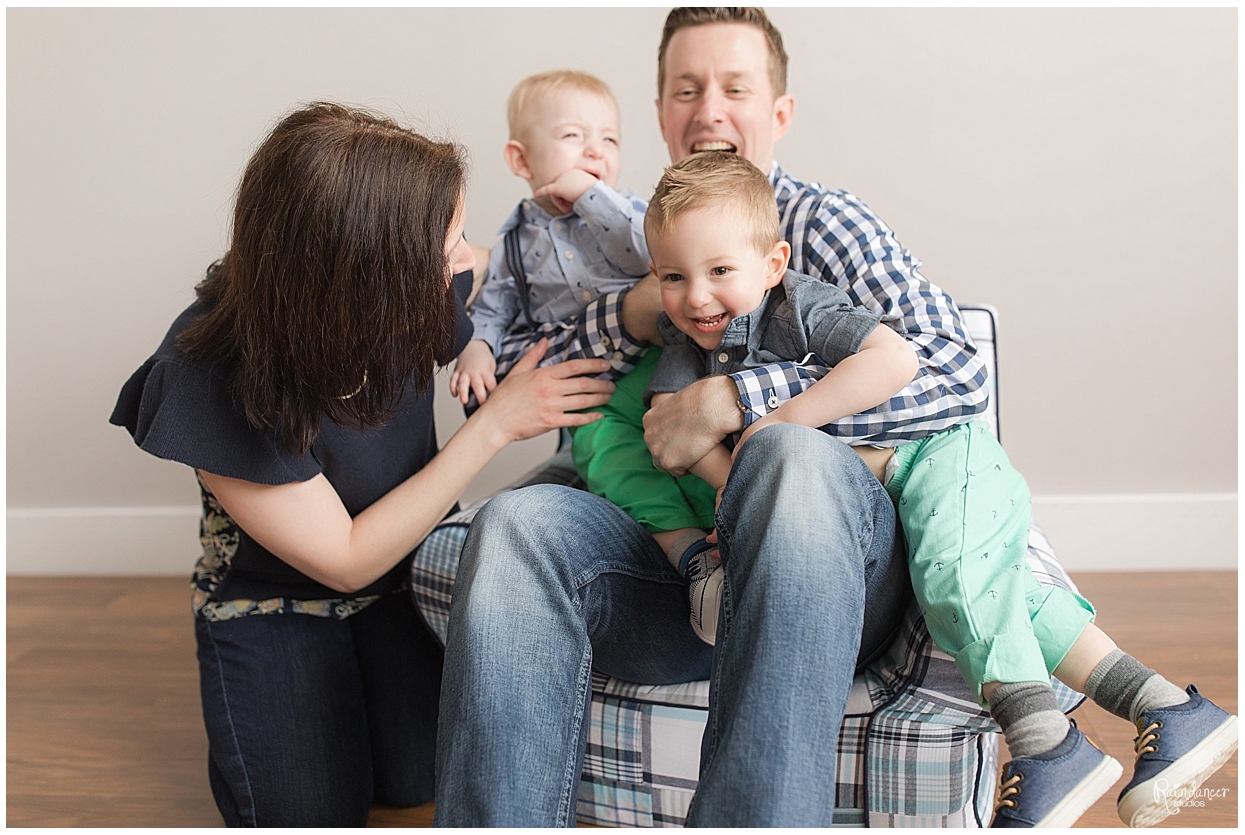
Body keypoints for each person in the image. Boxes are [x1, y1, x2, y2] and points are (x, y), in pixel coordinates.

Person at [435, 8, 1001, 826]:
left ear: (779, 114)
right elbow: (560, 353)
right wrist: (636, 303)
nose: (708, 110)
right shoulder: (634, 241)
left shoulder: (821, 224)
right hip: (684, 572)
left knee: (788, 458)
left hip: (831, 576)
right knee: (517, 523)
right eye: (685, 90)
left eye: (735, 88)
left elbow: (958, 372)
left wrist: (739, 402)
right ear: (661, 113)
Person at [610, 150, 1237, 828]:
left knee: (954, 577)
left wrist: (776, 425)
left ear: (772, 263)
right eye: (673, 276)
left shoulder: (801, 307)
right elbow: (670, 433)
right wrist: (739, 490)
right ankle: (1170, 708)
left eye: (719, 272)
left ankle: (1045, 742)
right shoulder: (685, 342)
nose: (696, 296)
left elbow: (897, 357)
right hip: (889, 501)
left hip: (936, 455)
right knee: (998, 592)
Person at [109, 102, 615, 827]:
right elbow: (342, 559)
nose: (463, 258)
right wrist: (496, 427)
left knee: (415, 781)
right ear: (366, 267)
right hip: (273, 600)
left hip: (403, 579)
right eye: (450, 241)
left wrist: (571, 208)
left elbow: (504, 296)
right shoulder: (210, 372)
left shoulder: (417, 284)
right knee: (309, 811)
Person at [450, 70, 650, 405]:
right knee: (604, 452)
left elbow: (645, 255)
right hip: (587, 389)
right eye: (573, 135)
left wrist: (591, 195)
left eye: (609, 140)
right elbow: (493, 308)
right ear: (522, 159)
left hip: (653, 360)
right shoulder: (515, 244)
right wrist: (476, 348)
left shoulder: (626, 210)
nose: (596, 151)